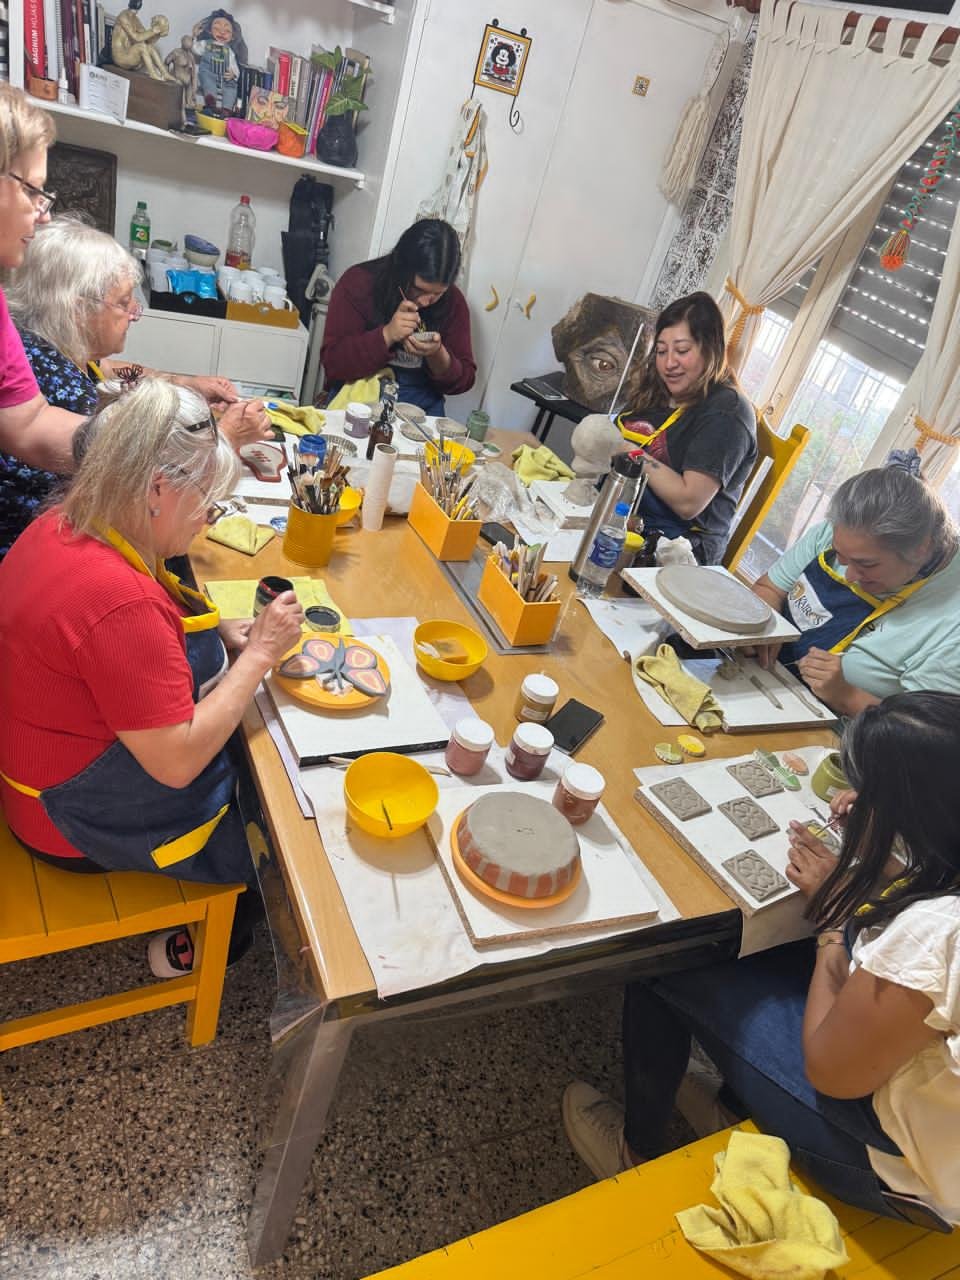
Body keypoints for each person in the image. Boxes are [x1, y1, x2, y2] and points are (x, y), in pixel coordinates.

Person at [564, 690, 960, 1227]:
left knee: (671, 961)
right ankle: (731, 1107)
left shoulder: (936, 935)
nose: (853, 800)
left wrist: (831, 922)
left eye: (869, 793)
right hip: (915, 1095)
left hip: (892, 1165)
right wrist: (891, 858)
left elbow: (833, 1072)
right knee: (767, 957)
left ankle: (634, 1151)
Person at [0, 379, 304, 976]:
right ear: (157, 490)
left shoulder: (65, 519)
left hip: (32, 763)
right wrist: (260, 654)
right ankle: (228, 926)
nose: (206, 522)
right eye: (207, 505)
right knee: (271, 802)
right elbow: (178, 762)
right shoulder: (119, 602)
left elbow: (99, 647)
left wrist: (217, 636)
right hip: (71, 820)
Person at [0, 215, 266, 556]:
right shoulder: (62, 389)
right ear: (77, 309)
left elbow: (110, 370)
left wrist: (184, 383)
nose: (135, 313)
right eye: (124, 302)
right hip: (39, 562)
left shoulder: (57, 348)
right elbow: (147, 486)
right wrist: (225, 435)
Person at [748, 454, 960, 716]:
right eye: (840, 556)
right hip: (759, 683)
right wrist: (763, 626)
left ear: (920, 550)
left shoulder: (952, 620)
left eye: (866, 565)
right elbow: (770, 589)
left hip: (843, 734)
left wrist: (846, 696)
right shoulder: (845, 530)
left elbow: (923, 730)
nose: (849, 575)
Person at [617, 291, 757, 564]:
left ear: (710, 349)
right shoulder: (661, 387)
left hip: (678, 553)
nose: (669, 363)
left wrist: (628, 451)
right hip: (627, 518)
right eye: (661, 351)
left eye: (682, 350)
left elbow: (688, 502)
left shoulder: (728, 413)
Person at [320, 218, 476, 415]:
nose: (426, 301)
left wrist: (438, 355)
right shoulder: (358, 283)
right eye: (419, 290)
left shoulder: (454, 302)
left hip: (419, 408)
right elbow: (333, 364)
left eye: (438, 293)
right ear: (401, 269)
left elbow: (464, 381)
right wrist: (387, 335)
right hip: (358, 397)